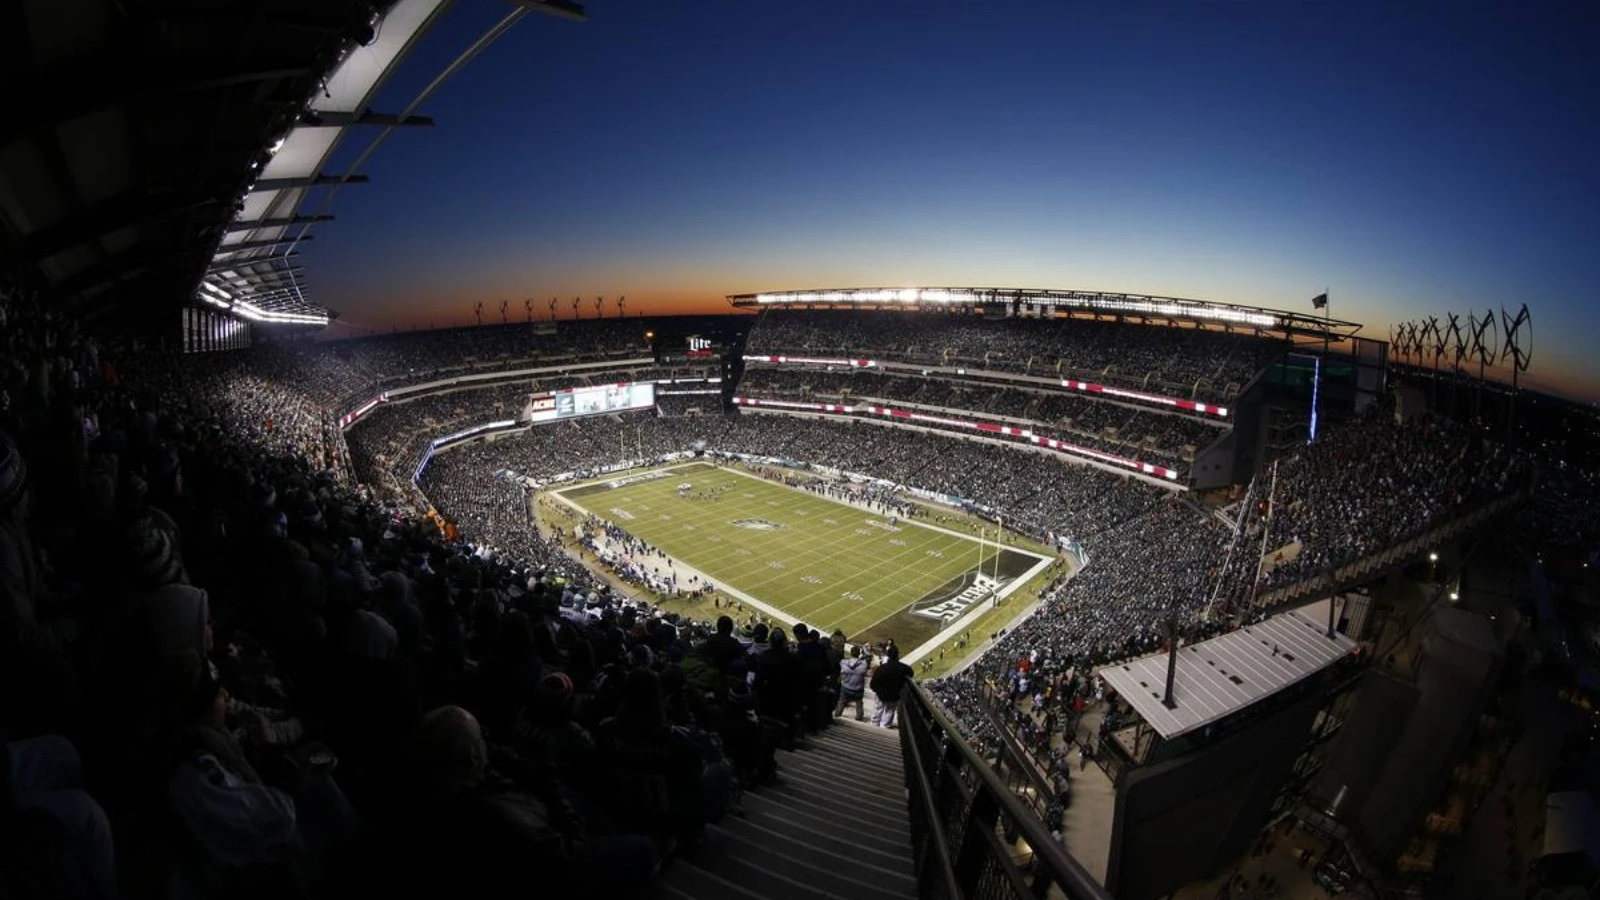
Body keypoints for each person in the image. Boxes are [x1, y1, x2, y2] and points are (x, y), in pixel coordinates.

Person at [868, 645, 913, 729]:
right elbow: (911, 672)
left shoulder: (882, 668)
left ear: (888, 656)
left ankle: (874, 724)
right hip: (894, 694)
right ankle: (885, 726)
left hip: (881, 693)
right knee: (890, 710)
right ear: (897, 655)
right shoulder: (903, 668)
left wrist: (875, 689)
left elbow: (874, 681)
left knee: (878, 708)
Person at [834, 646, 869, 721]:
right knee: (859, 703)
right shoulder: (864, 664)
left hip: (845, 686)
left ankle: (837, 714)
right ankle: (859, 717)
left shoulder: (843, 662)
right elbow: (864, 673)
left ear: (850, 653)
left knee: (841, 701)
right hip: (858, 687)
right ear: (859, 653)